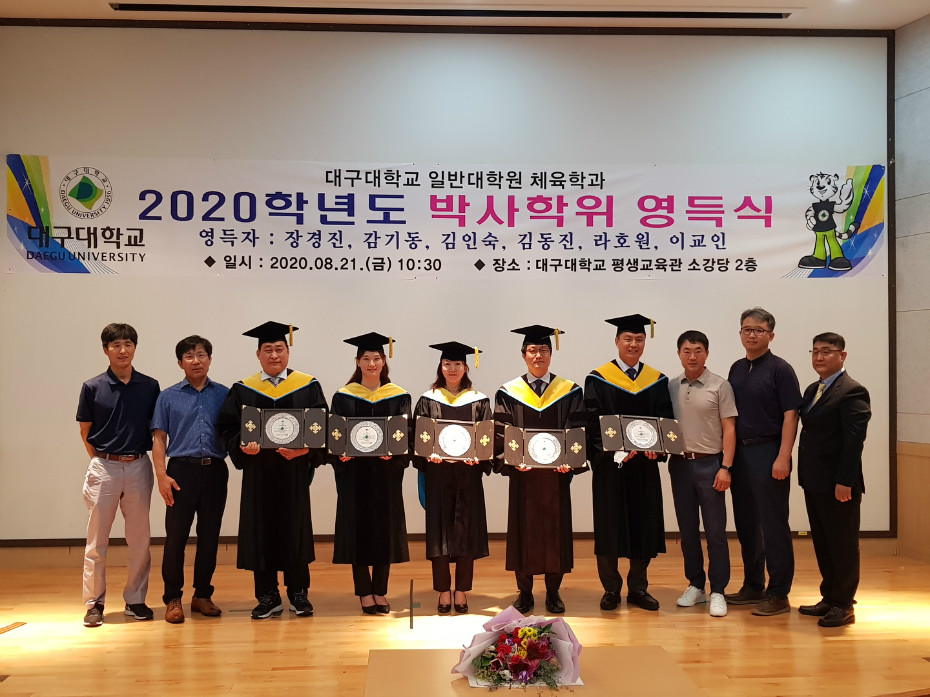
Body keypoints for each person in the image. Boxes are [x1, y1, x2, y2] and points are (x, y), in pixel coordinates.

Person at [216, 321, 327, 620]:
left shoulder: (308, 386)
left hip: (293, 472)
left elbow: (321, 426)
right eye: (268, 350)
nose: (274, 355)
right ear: (258, 355)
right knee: (260, 530)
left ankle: (298, 592)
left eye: (279, 349)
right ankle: (267, 596)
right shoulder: (243, 389)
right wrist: (243, 446)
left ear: (288, 352)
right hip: (259, 473)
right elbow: (227, 427)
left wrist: (307, 450)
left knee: (295, 528)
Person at [494, 325, 586, 615]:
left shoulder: (569, 391)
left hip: (556, 477)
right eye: (532, 351)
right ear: (523, 355)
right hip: (524, 477)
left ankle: (553, 592)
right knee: (524, 530)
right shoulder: (509, 392)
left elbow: (576, 427)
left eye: (543, 350)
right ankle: (524, 592)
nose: (538, 355)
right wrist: (511, 459)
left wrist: (570, 460)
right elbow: (501, 431)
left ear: (551, 354)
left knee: (555, 530)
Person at [583, 314, 672, 612]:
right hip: (611, 467)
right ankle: (611, 588)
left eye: (639, 339)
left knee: (643, 523)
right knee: (609, 524)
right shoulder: (597, 379)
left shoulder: (657, 380)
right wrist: (615, 451)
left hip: (644, 467)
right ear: (617, 341)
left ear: (645, 342)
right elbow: (592, 424)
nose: (634, 344)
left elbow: (665, 421)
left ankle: (638, 587)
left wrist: (658, 449)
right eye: (628, 339)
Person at [77, 323, 160, 627]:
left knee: (139, 539)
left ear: (135, 348)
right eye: (116, 345)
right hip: (104, 467)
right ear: (106, 350)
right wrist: (104, 461)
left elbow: (156, 429)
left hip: (139, 465)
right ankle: (94, 603)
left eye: (128, 344)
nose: (123, 350)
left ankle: (135, 599)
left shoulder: (150, 386)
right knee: (97, 540)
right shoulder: (92, 387)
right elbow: (85, 431)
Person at [725, 307, 802, 616]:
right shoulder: (736, 368)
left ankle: (779, 593)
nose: (752, 335)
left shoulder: (781, 369)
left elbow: (791, 415)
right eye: (747, 329)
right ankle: (753, 585)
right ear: (740, 333)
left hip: (769, 452)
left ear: (771, 335)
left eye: (758, 330)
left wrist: (784, 456)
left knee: (773, 524)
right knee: (746, 523)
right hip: (740, 455)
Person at [329, 332, 411, 615]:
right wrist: (340, 452)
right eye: (366, 358)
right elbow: (335, 434)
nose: (372, 363)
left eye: (376, 358)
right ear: (358, 362)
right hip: (355, 474)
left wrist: (396, 453)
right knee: (358, 531)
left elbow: (405, 434)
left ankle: (380, 590)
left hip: (386, 474)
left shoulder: (399, 396)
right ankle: (364, 591)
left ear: (384, 361)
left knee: (384, 531)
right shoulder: (343, 396)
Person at [151, 335, 229, 624]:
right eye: (189, 356)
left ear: (210, 359)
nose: (196, 361)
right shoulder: (168, 396)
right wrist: (162, 476)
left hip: (215, 470)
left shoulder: (224, 394)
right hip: (180, 472)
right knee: (176, 537)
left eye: (201, 355)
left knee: (210, 536)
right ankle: (173, 598)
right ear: (180, 362)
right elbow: (159, 438)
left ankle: (202, 595)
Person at [797, 332, 870, 627]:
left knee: (842, 543)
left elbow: (855, 441)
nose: (819, 357)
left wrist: (845, 481)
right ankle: (829, 597)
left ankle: (844, 604)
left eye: (826, 351)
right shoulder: (813, 389)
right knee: (824, 542)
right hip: (814, 480)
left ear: (842, 355)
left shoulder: (852, 391)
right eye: (815, 351)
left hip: (839, 484)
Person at [413, 341, 492, 615]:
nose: (452, 368)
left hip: (467, 476)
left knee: (466, 533)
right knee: (440, 534)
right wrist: (428, 455)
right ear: (441, 367)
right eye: (447, 364)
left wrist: (479, 457)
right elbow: (419, 439)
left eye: (457, 364)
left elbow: (486, 440)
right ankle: (443, 591)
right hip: (438, 476)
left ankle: (461, 591)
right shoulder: (428, 400)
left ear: (466, 367)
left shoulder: (479, 401)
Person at [667, 330, 737, 618]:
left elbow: (730, 429)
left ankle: (718, 589)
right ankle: (696, 585)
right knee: (687, 531)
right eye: (687, 351)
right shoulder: (671, 385)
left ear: (706, 353)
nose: (692, 356)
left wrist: (726, 467)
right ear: (679, 354)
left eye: (698, 351)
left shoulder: (720, 385)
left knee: (716, 531)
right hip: (679, 465)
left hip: (711, 465)